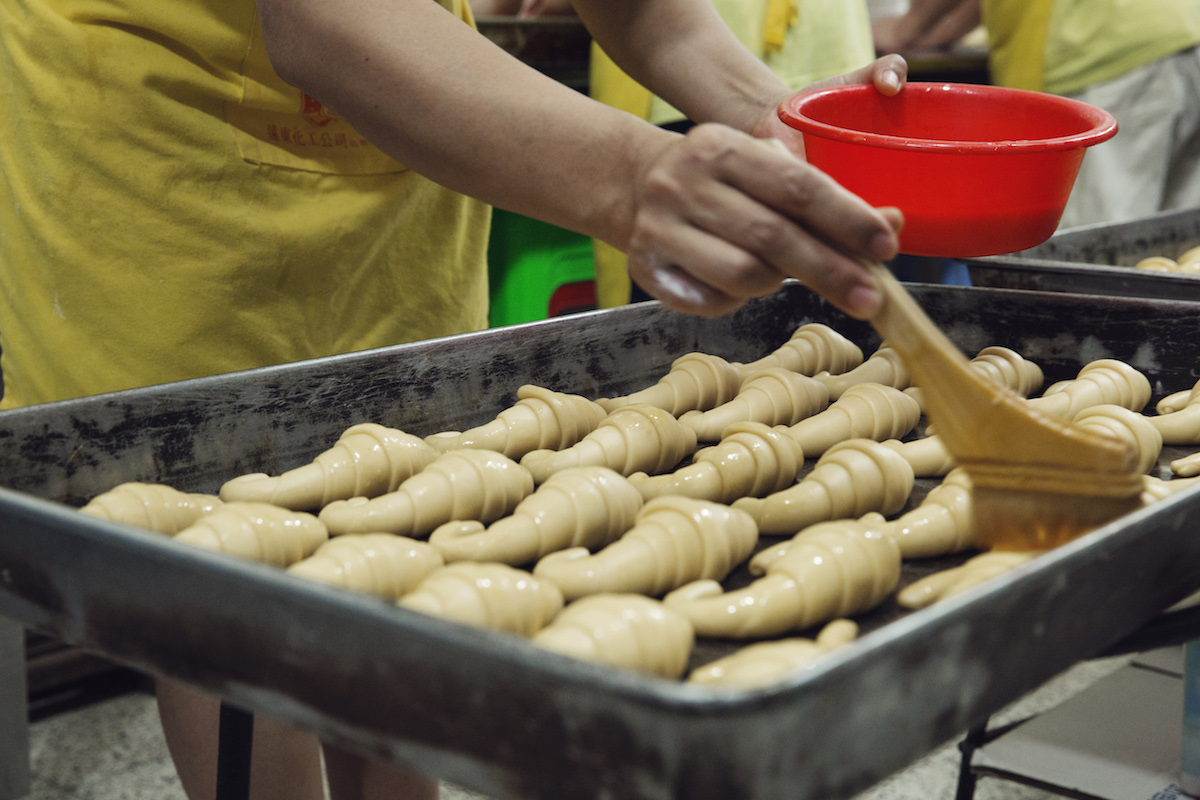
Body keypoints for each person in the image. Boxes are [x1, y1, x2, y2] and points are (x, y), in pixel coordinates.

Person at [1, 0, 907, 797]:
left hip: (407, 106)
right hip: (178, 129)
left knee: (412, 511)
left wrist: (772, 119)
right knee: (221, 545)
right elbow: (323, 18)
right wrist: (634, 179)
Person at [873, 0, 1200, 229]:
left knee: (1091, 264)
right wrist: (934, 31)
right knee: (1173, 254)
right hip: (1183, 35)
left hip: (1105, 54)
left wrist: (907, 28)